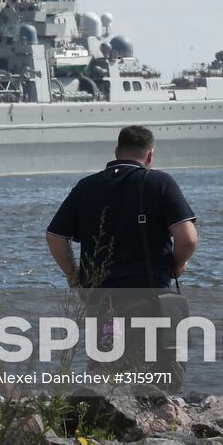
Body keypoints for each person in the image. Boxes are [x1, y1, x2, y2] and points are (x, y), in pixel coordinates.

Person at [45, 126, 197, 380]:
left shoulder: (86, 186)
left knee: (105, 377)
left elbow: (55, 237)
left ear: (116, 152)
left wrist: (77, 280)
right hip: (149, 299)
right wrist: (177, 265)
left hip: (102, 300)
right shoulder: (159, 182)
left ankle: (104, 416)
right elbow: (188, 238)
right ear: (150, 155)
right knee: (156, 378)